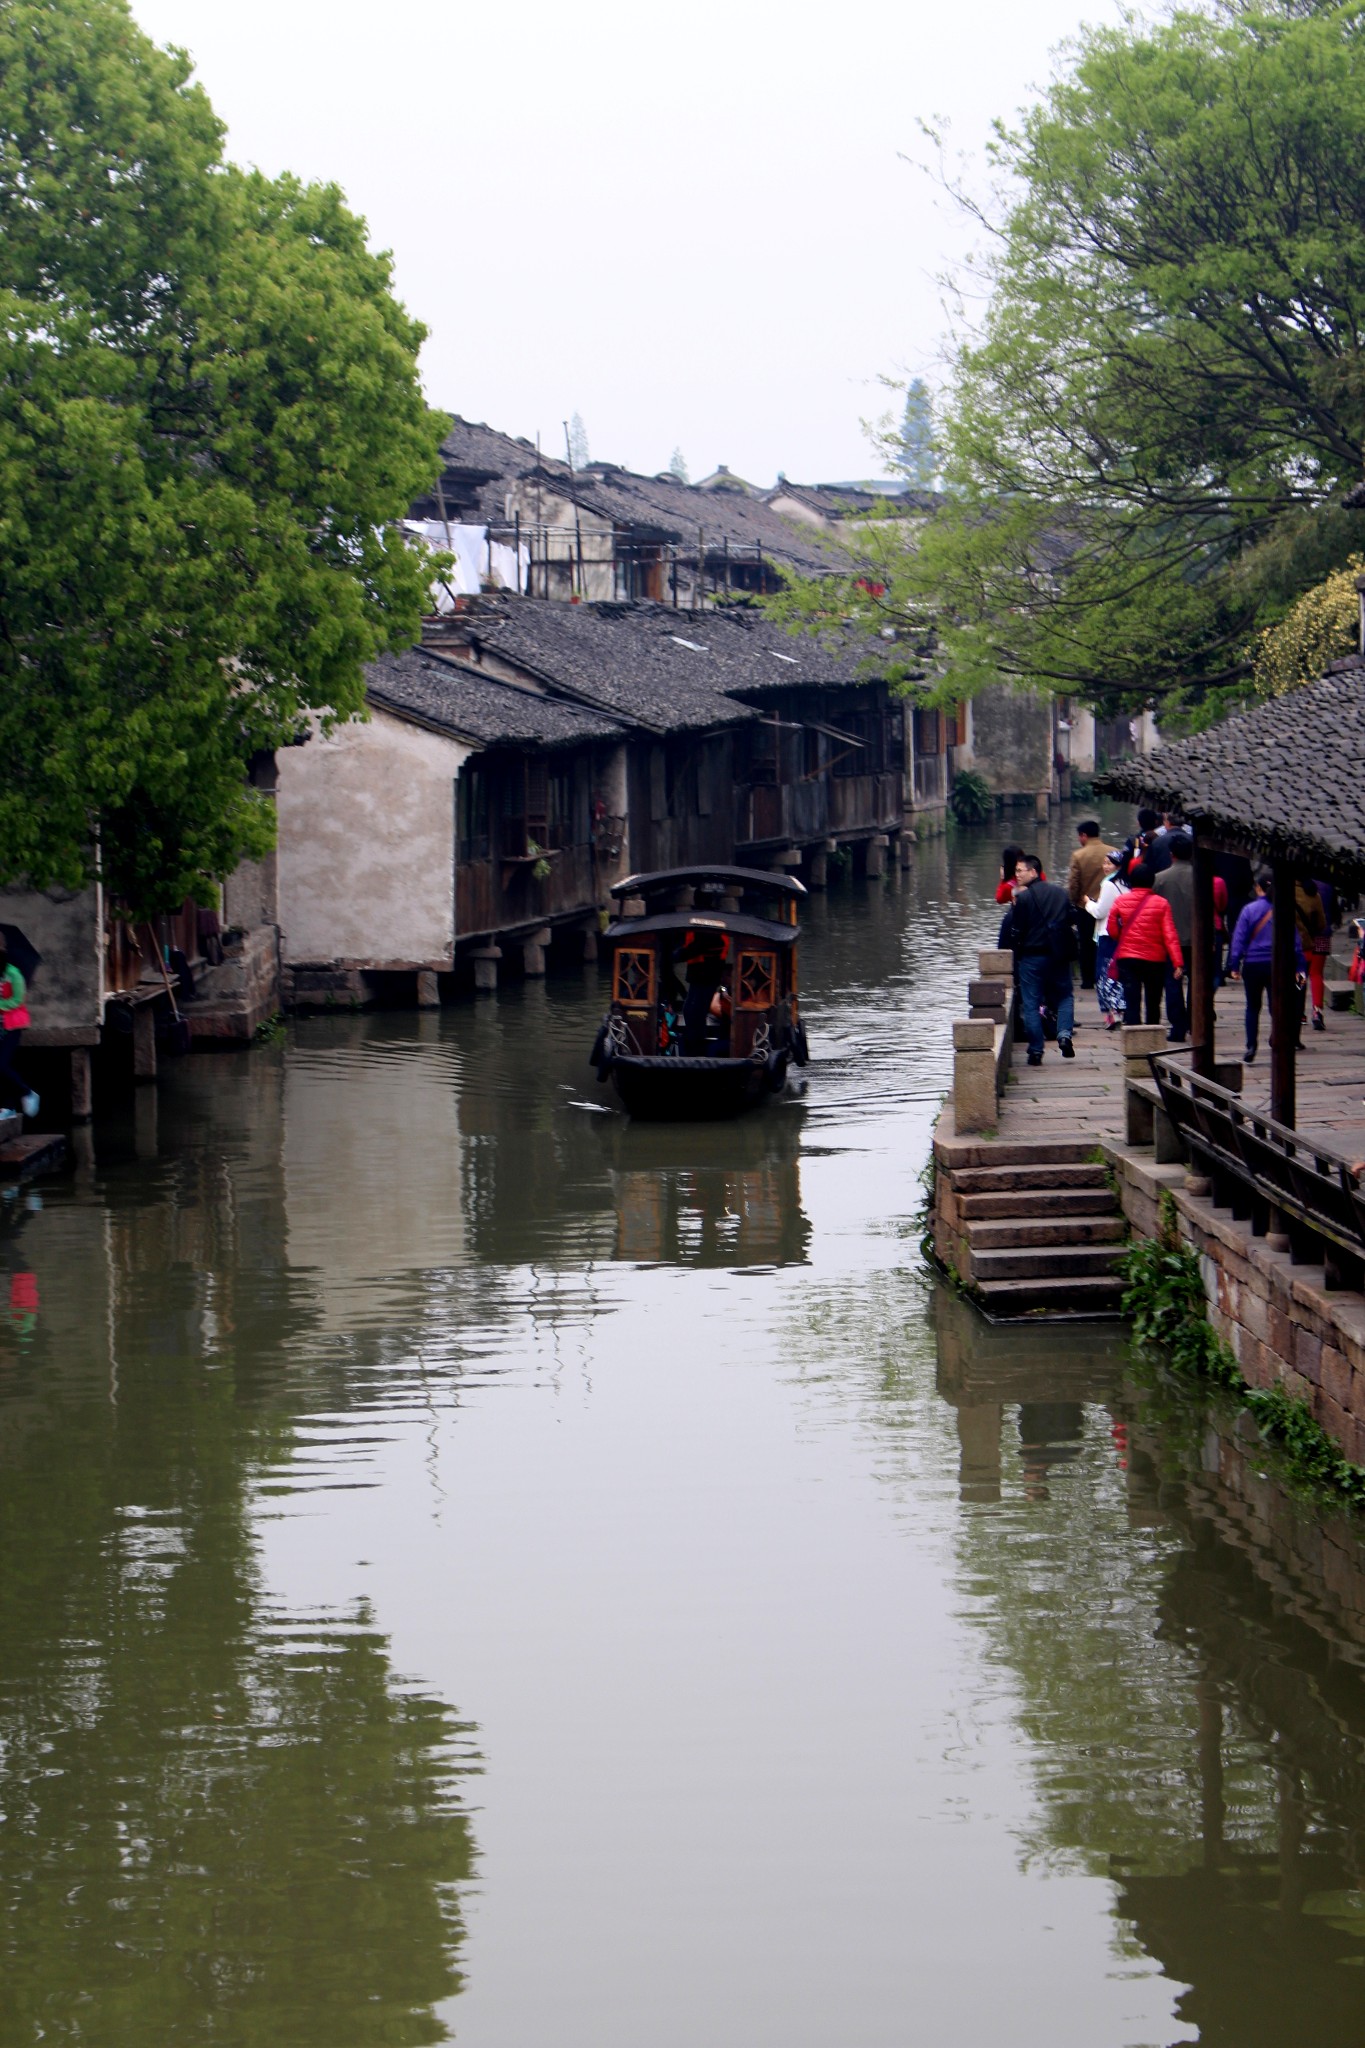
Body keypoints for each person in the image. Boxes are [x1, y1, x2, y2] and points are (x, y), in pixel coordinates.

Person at [1002, 854, 1077, 1065]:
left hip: (1032, 958)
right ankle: (1063, 1033)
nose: (1016, 875)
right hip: (1058, 955)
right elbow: (1072, 918)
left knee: (1031, 1003)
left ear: (1033, 872)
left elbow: (1016, 931)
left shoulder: (1023, 899)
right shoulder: (1060, 893)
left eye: (1020, 871)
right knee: (1064, 996)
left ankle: (1035, 1050)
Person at [1227, 868, 1306, 1064]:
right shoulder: (1284, 910)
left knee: (1252, 1007)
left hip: (1253, 965)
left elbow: (1239, 940)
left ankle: (1251, 1045)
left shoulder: (1249, 910)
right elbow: (1295, 942)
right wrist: (1300, 967)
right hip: (1277, 965)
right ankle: (1278, 1039)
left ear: (1259, 888)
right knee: (1276, 1006)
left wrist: (1234, 964)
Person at [1108, 862, 1183, 1025]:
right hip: (1154, 959)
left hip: (1128, 958)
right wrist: (1177, 962)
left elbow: (1111, 929)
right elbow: (1170, 935)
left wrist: (1122, 937)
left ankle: (1135, 1035)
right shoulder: (1161, 903)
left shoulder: (1120, 901)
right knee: (1153, 1001)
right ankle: (1153, 1033)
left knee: (1132, 1000)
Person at [1154, 834, 1194, 1041]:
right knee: (1197, 983)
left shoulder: (1160, 879)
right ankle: (1196, 1023)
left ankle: (1178, 1027)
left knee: (1172, 984)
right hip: (1197, 939)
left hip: (1169, 941)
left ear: (1172, 855)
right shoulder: (1202, 877)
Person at [1066, 820, 1110, 989]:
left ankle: (1087, 980)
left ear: (1084, 835)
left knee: (1086, 944)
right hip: (1108, 906)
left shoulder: (1079, 855)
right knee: (1105, 942)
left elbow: (1074, 884)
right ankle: (1104, 977)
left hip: (1084, 907)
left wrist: (1073, 900)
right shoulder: (1112, 852)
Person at [1088, 849, 1128, 1029]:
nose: (1105, 867)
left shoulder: (1109, 885)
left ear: (1118, 866)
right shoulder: (1127, 883)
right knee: (1117, 973)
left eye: (1109, 863)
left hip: (1107, 934)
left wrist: (1087, 903)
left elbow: (1100, 912)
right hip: (1122, 934)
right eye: (1104, 863)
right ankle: (1119, 1011)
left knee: (1105, 975)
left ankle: (1113, 1013)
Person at [0, 940, 37, 1119]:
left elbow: (17, 1000)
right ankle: (8, 1107)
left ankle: (26, 1092)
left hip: (12, 1024)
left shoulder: (13, 973)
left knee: (2, 1065)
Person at [1295, 877, 1333, 1033]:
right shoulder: (1325, 885)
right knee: (1317, 974)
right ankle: (1317, 1011)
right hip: (1321, 935)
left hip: (1303, 939)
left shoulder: (1294, 888)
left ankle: (1300, 1013)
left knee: (1301, 974)